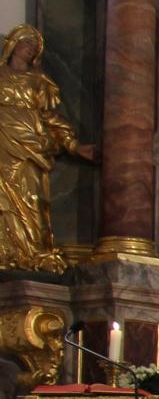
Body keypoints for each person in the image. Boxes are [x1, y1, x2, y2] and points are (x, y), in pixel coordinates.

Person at [0, 24, 94, 273]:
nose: (30, 49)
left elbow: (50, 117)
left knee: (33, 200)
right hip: (3, 143)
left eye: (34, 46)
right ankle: (6, 251)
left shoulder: (39, 82)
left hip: (31, 145)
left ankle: (33, 251)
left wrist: (73, 145)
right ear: (13, 44)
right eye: (26, 43)